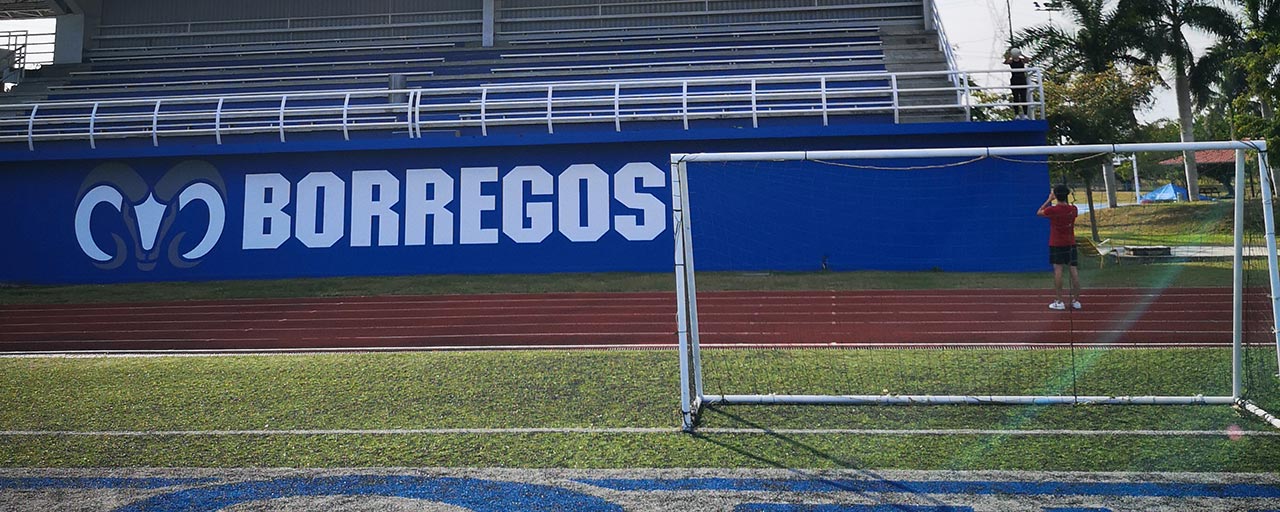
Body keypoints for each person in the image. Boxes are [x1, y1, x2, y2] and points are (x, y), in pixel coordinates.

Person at [1037, 184, 1081, 310]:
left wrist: (1049, 200)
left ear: (1056, 195)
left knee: (1058, 270)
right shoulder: (1073, 209)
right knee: (1073, 270)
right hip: (1070, 243)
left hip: (1056, 243)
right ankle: (1076, 300)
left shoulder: (1053, 210)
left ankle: (1060, 301)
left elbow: (1039, 212)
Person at [1004, 48, 1031, 119]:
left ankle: (1025, 114)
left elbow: (1028, 60)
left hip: (1022, 79)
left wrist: (1021, 54)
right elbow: (1005, 62)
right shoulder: (1011, 61)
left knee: (1023, 97)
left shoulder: (1021, 60)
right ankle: (1017, 114)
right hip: (1014, 80)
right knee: (1016, 98)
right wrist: (1010, 55)